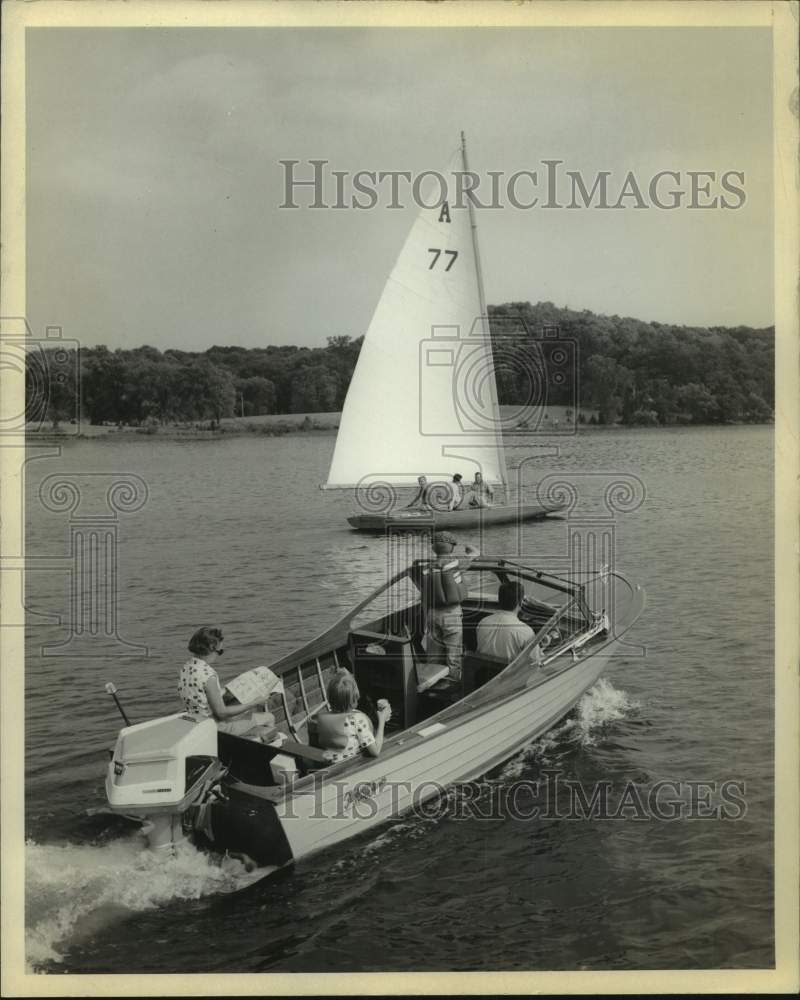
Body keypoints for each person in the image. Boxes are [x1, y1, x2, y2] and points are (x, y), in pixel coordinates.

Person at [178, 626, 273, 737]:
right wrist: (254, 703)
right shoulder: (208, 676)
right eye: (220, 651)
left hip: (195, 721)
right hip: (214, 726)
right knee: (269, 717)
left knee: (243, 713)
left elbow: (199, 694)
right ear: (211, 648)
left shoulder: (186, 667)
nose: (218, 656)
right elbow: (221, 713)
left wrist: (224, 691)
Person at [414, 531, 479, 682]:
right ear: (450, 548)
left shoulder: (426, 568)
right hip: (451, 614)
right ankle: (454, 685)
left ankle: (431, 684)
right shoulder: (454, 563)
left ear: (433, 548)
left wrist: (425, 623)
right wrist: (469, 551)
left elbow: (424, 596)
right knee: (453, 657)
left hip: (431, 614)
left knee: (433, 657)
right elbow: (474, 553)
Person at [315, 670, 392, 763]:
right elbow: (375, 751)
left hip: (331, 764)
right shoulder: (358, 720)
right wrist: (382, 720)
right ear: (355, 699)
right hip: (349, 766)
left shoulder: (324, 718)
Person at [476, 581, 543, 666]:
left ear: (499, 600)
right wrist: (541, 648)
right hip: (511, 678)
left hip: (483, 675)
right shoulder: (525, 631)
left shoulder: (483, 622)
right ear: (521, 602)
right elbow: (535, 663)